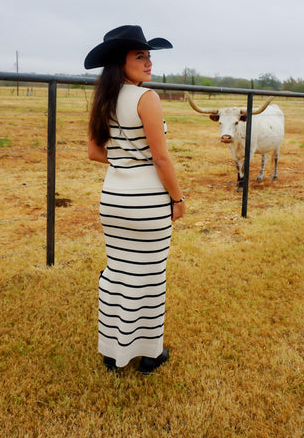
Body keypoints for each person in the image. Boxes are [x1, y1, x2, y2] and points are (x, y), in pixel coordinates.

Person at [85, 25, 185, 374]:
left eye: (149, 57)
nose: (148, 63)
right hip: (147, 202)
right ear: (120, 61)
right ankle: (149, 354)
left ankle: (114, 353)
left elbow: (94, 153)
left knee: (119, 273)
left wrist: (123, 160)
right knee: (150, 276)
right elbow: (161, 159)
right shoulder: (147, 99)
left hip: (113, 198)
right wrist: (178, 198)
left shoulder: (104, 99)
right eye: (140, 56)